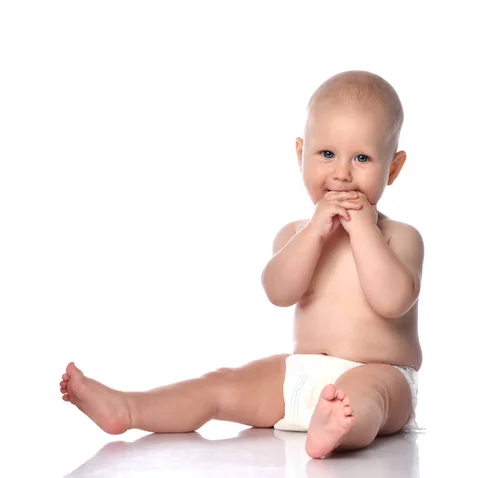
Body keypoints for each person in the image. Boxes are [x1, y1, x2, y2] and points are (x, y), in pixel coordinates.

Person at [59, 70, 424, 459]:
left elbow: (392, 301)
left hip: (383, 375)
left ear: (393, 168)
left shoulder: (398, 237)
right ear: (301, 154)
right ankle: (130, 409)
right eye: (327, 154)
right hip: (300, 371)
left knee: (368, 397)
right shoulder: (296, 234)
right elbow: (278, 291)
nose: (342, 173)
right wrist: (316, 232)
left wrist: (364, 231)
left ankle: (336, 429)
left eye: (362, 158)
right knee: (222, 385)